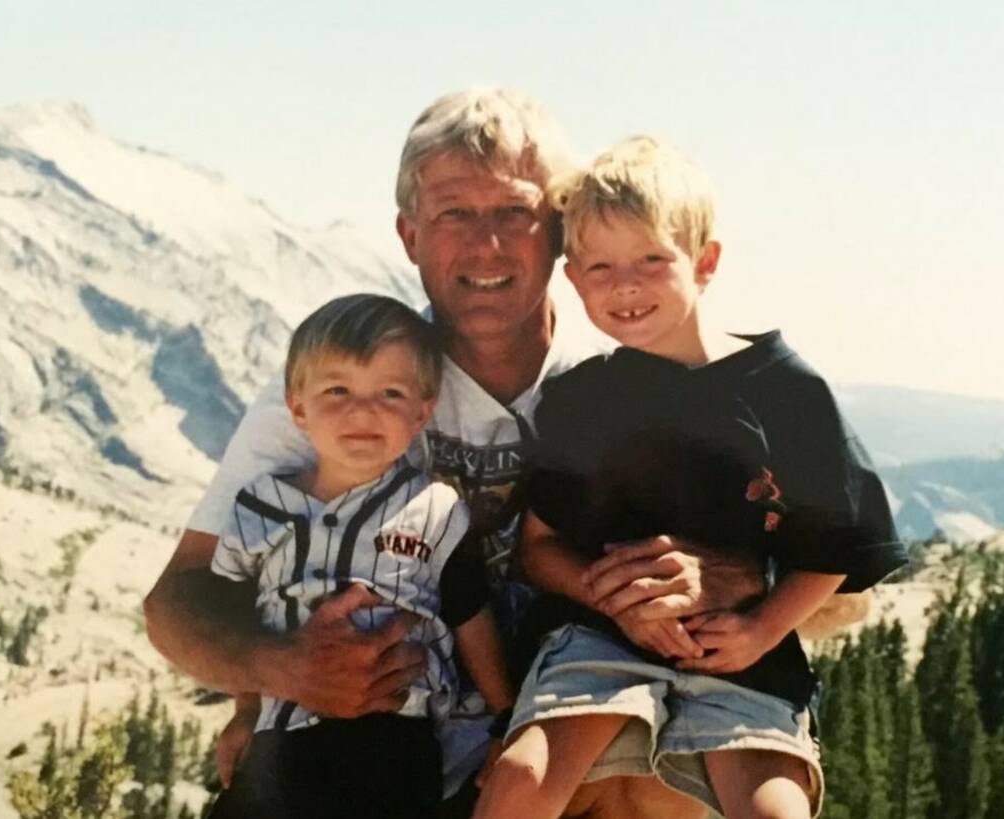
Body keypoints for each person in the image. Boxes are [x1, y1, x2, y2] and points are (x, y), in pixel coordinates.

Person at [143, 88, 841, 819]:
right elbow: (176, 601)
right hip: (372, 758)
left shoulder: (625, 388)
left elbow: (840, 561)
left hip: (554, 750)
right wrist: (281, 670)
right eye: (453, 214)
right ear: (409, 235)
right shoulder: (344, 390)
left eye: (516, 212)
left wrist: (735, 576)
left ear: (560, 234)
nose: (487, 246)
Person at [474, 137, 906, 819]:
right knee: (521, 784)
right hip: (599, 641)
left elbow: (840, 546)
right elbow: (538, 546)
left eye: (652, 258)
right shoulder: (582, 399)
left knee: (776, 811)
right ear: (574, 277)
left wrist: (763, 626)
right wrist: (611, 595)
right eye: (600, 265)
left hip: (736, 646)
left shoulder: (786, 392)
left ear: (705, 262)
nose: (625, 284)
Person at [206, 293, 513, 817]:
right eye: (337, 390)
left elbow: (469, 615)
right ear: (297, 405)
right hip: (281, 739)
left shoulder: (436, 512)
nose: (362, 411)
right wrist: (245, 710)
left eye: (389, 393)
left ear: (422, 410)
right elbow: (237, 610)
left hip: (395, 737)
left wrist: (508, 719)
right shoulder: (259, 507)